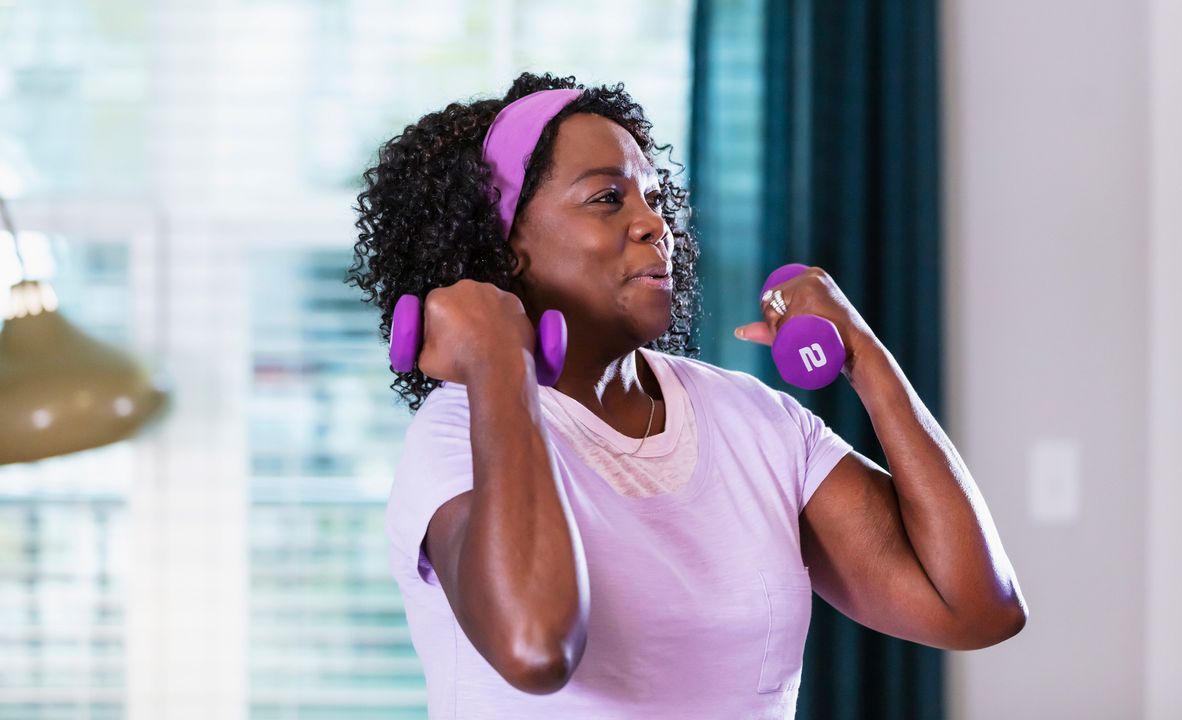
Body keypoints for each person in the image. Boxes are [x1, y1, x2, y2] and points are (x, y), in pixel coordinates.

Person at [348, 72, 1027, 719]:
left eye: (655, 197)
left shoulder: (757, 421)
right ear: (504, 247)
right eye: (608, 197)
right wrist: (499, 361)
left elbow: (975, 608)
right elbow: (534, 648)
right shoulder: (460, 432)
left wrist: (863, 355)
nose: (654, 224)